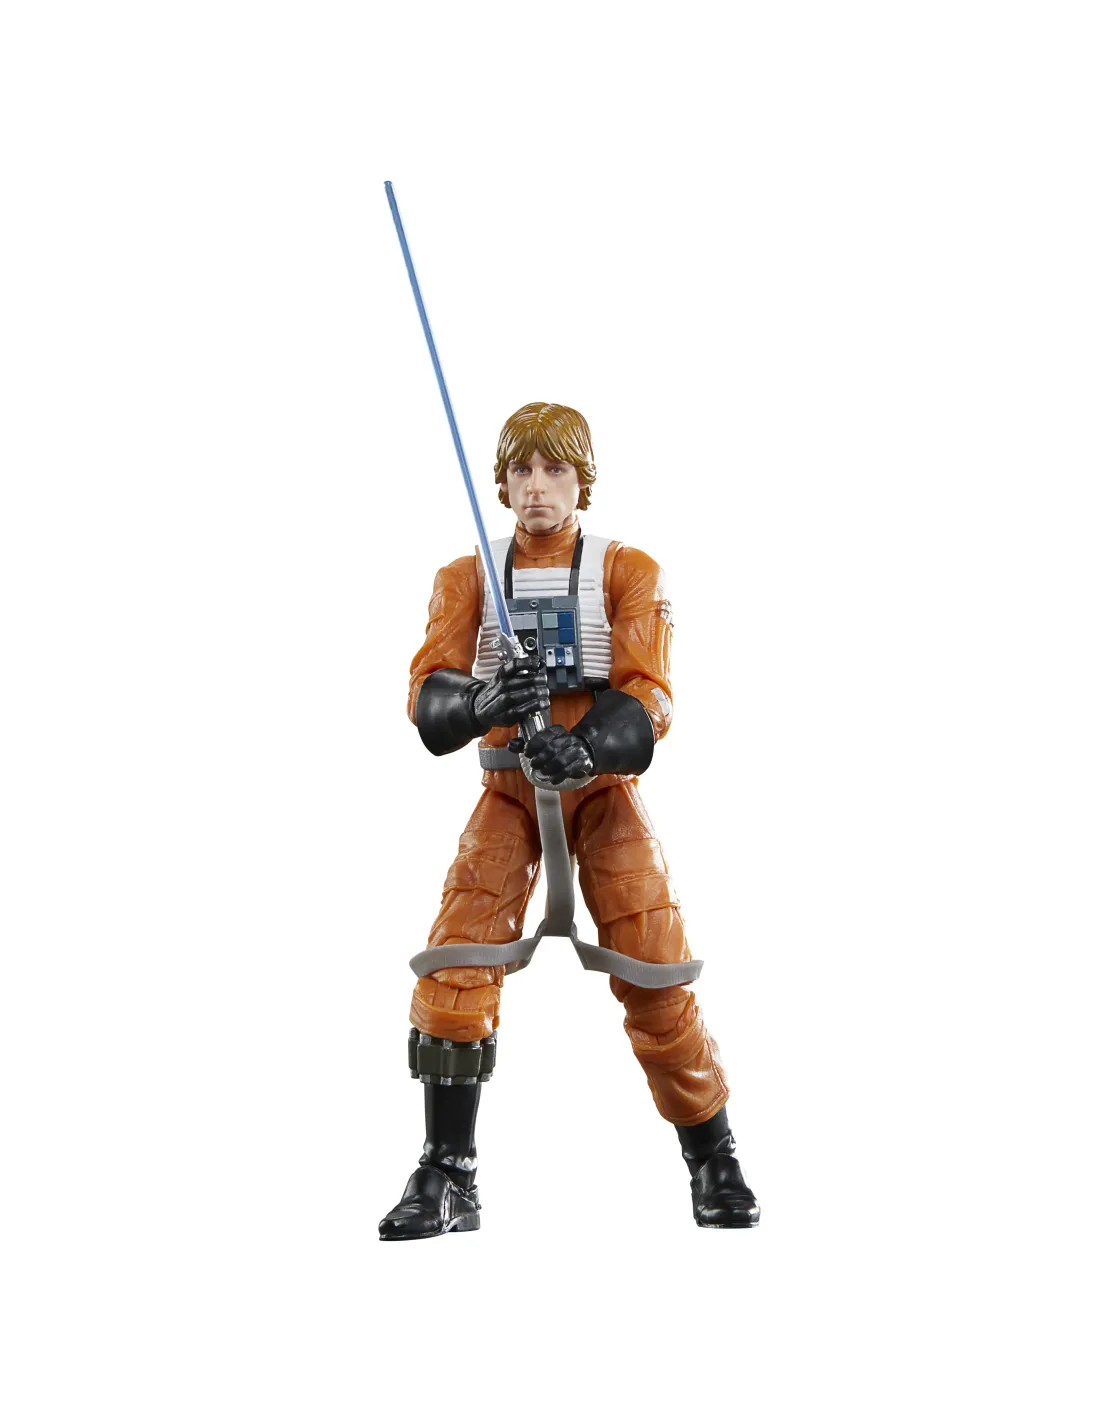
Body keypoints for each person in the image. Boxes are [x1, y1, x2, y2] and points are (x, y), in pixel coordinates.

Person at [378, 402, 759, 1238]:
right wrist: (483, 701)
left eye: (555, 470)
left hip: (602, 794)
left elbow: (650, 695)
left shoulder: (627, 571)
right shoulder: (468, 578)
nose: (537, 487)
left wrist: (587, 746)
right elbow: (427, 697)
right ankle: (448, 1170)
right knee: (454, 967)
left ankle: (714, 1156)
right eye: (521, 470)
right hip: (508, 793)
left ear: (583, 480)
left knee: (656, 970)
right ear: (501, 482)